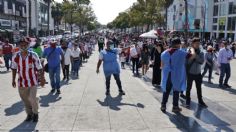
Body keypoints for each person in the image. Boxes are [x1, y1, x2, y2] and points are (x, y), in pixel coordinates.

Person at [11, 39, 45, 122]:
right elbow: (14, 68)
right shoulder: (16, 56)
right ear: (18, 46)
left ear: (28, 45)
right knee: (26, 100)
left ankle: (35, 113)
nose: (23, 47)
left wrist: (42, 78)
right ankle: (29, 114)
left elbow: (39, 68)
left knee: (32, 99)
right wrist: (13, 79)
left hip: (33, 81)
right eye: (21, 45)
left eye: (25, 45)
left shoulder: (33, 55)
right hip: (22, 82)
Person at [160, 38, 196, 113]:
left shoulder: (164, 53)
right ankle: (175, 107)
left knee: (166, 90)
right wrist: (192, 49)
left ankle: (163, 105)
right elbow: (193, 56)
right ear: (178, 44)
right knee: (176, 90)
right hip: (176, 74)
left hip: (167, 75)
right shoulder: (181, 53)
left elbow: (162, 65)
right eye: (180, 43)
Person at [186, 38, 207, 108]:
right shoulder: (188, 51)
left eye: (199, 43)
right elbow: (187, 62)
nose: (198, 45)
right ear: (192, 44)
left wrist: (194, 56)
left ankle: (200, 100)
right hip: (190, 73)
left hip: (198, 73)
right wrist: (193, 55)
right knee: (188, 88)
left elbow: (201, 61)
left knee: (199, 88)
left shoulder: (201, 52)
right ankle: (188, 100)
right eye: (196, 43)